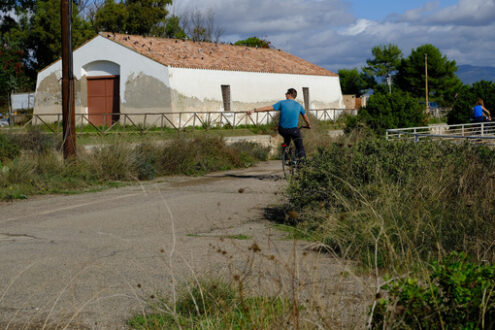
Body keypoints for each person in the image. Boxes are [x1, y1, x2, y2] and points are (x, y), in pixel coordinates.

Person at [247, 88, 311, 159]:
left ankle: (286, 150)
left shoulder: (282, 103)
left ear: (289, 95)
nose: (285, 94)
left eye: (286, 93)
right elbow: (306, 118)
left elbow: (267, 108)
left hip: (282, 130)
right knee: (300, 146)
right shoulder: (299, 106)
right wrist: (308, 125)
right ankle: (302, 162)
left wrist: (254, 110)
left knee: (286, 138)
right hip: (294, 130)